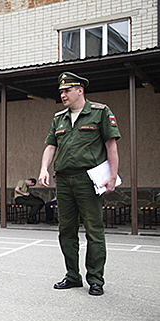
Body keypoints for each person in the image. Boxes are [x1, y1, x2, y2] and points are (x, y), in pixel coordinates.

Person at [38, 72, 121, 296]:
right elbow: (50, 146)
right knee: (66, 230)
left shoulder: (100, 112)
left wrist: (113, 175)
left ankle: (95, 279)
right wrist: (44, 168)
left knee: (94, 230)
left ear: (80, 90)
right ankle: (72, 276)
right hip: (63, 180)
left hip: (88, 179)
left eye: (67, 90)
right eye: (61, 91)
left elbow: (111, 145)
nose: (63, 95)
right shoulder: (59, 118)